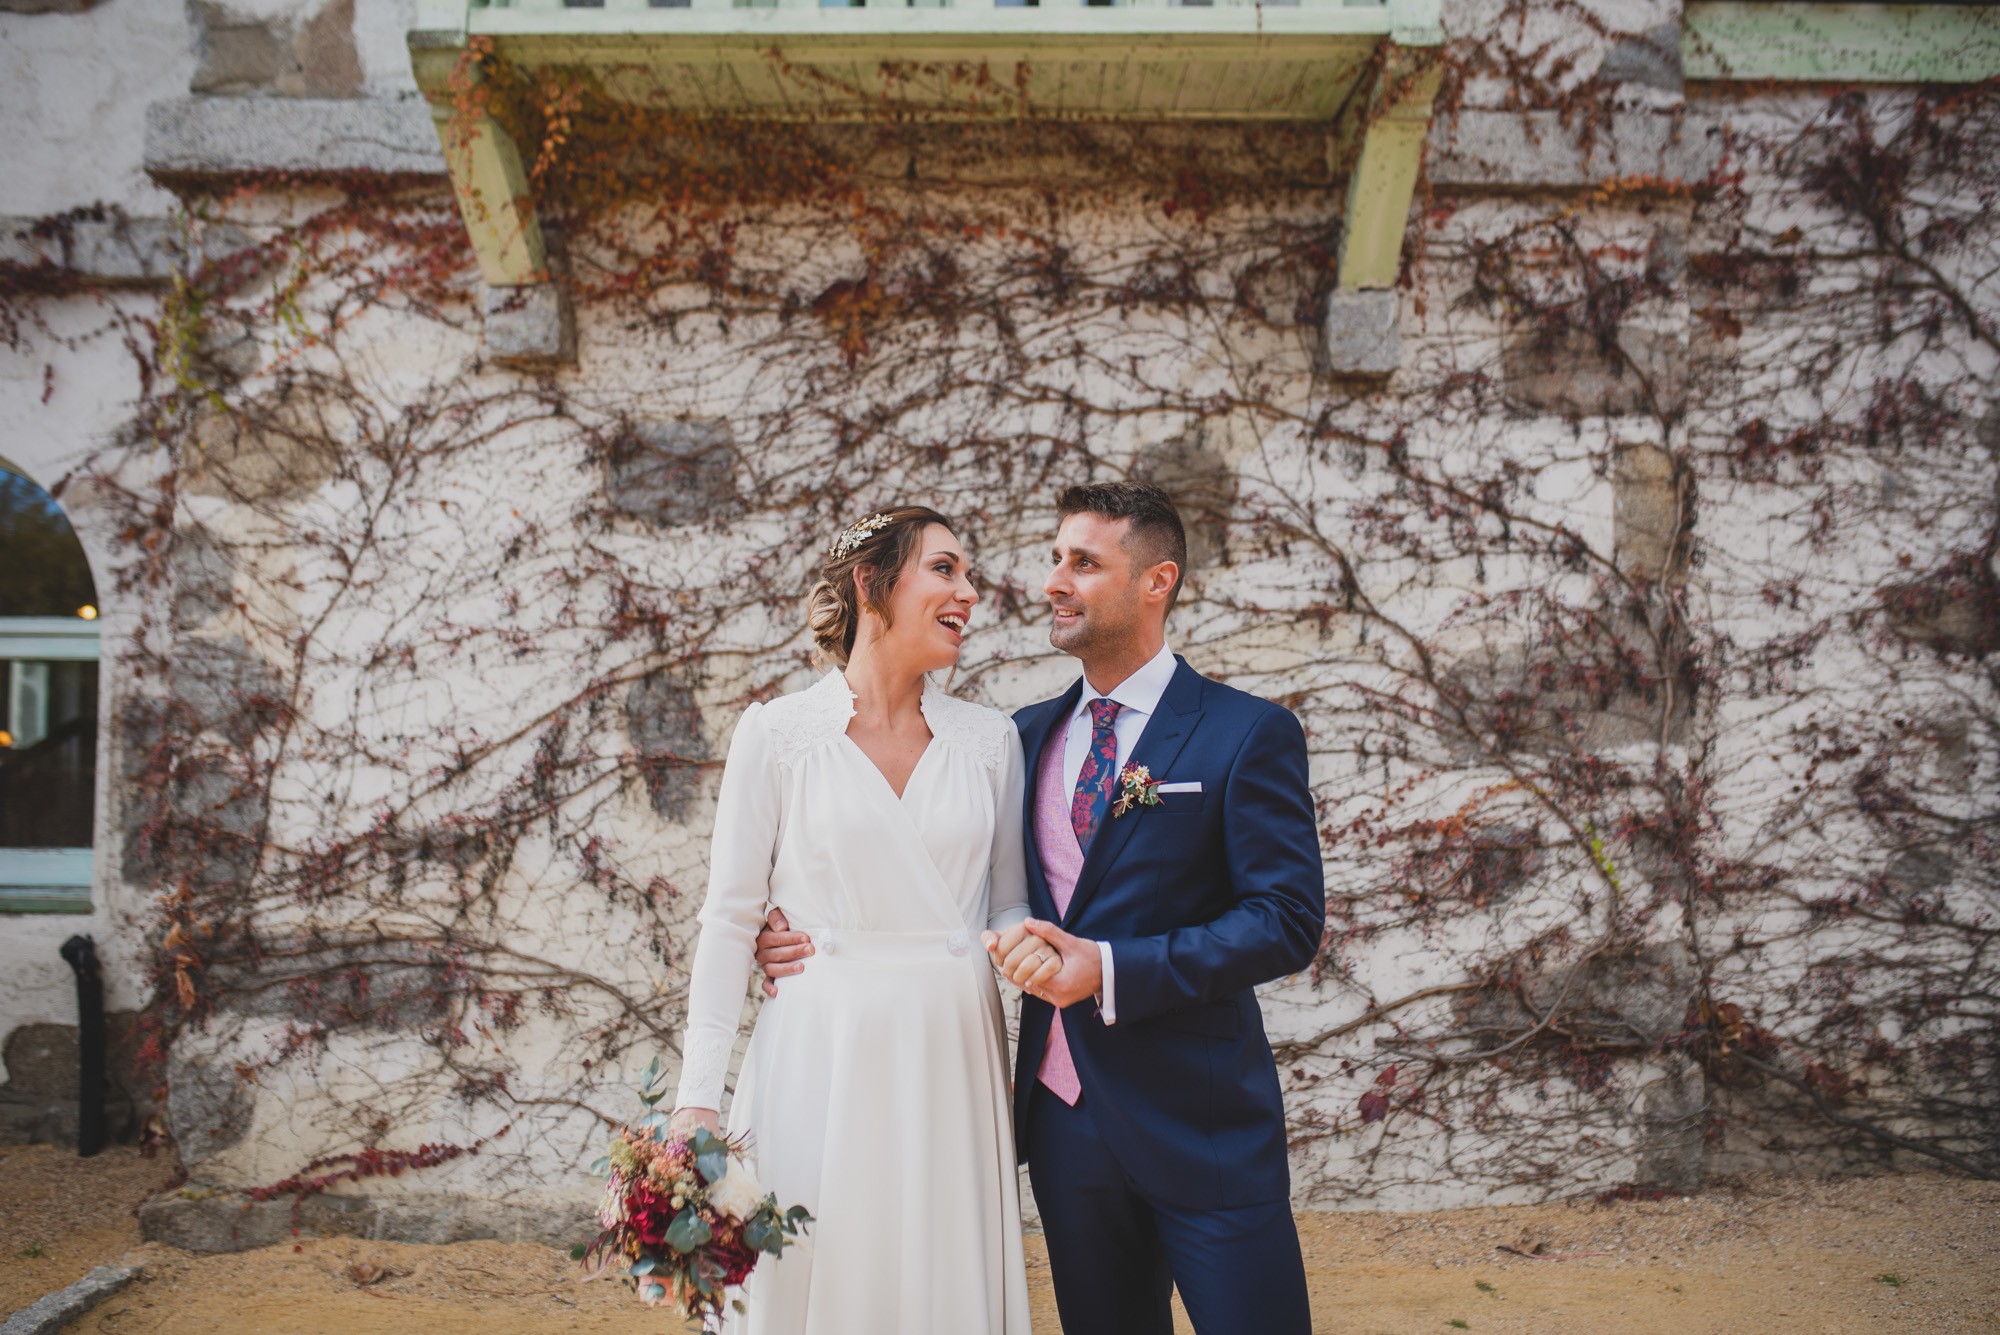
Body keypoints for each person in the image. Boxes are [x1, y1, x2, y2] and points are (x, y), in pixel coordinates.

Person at [758, 482, 1326, 1335]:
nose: (1054, 581)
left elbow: (1285, 916)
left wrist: (1113, 967)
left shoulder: (1245, 732)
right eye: (1055, 558)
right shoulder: (1014, 739)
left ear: (1156, 580)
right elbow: (954, 885)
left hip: (1202, 1121)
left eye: (1084, 563)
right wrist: (794, 924)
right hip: (1065, 1129)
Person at [669, 505, 1033, 1335]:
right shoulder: (778, 733)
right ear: (872, 584)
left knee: (940, 1279)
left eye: (969, 575)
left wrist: (1022, 944)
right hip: (818, 1050)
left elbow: (1007, 899)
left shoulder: (990, 741)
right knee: (819, 1268)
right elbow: (729, 921)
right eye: (945, 569)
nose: (969, 591)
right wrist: (697, 1099)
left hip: (952, 1052)